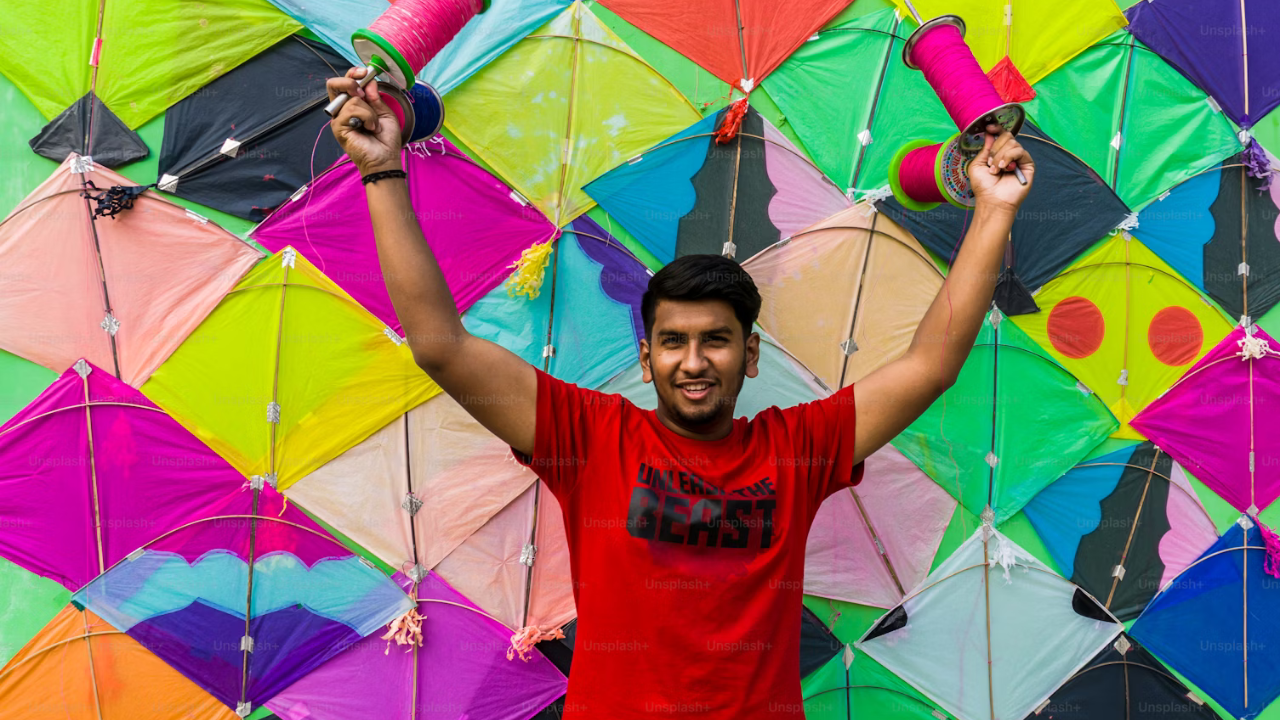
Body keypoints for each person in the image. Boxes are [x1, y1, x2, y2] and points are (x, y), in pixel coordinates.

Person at [326, 67, 1034, 719]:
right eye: (673, 341)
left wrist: (994, 209)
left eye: (716, 340)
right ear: (646, 356)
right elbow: (440, 345)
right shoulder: (590, 437)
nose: (694, 361)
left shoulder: (800, 448)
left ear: (749, 354)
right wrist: (383, 171)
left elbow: (931, 365)